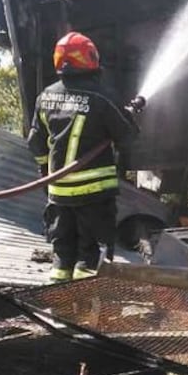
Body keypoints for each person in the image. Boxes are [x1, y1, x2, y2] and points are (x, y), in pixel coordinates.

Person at [27, 31, 138, 282]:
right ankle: (88, 307)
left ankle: (59, 304)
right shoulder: (102, 97)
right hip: (94, 195)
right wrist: (129, 116)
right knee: (91, 257)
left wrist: (46, 174)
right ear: (90, 58)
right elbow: (127, 137)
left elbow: (35, 142)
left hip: (58, 194)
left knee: (62, 254)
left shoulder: (46, 96)